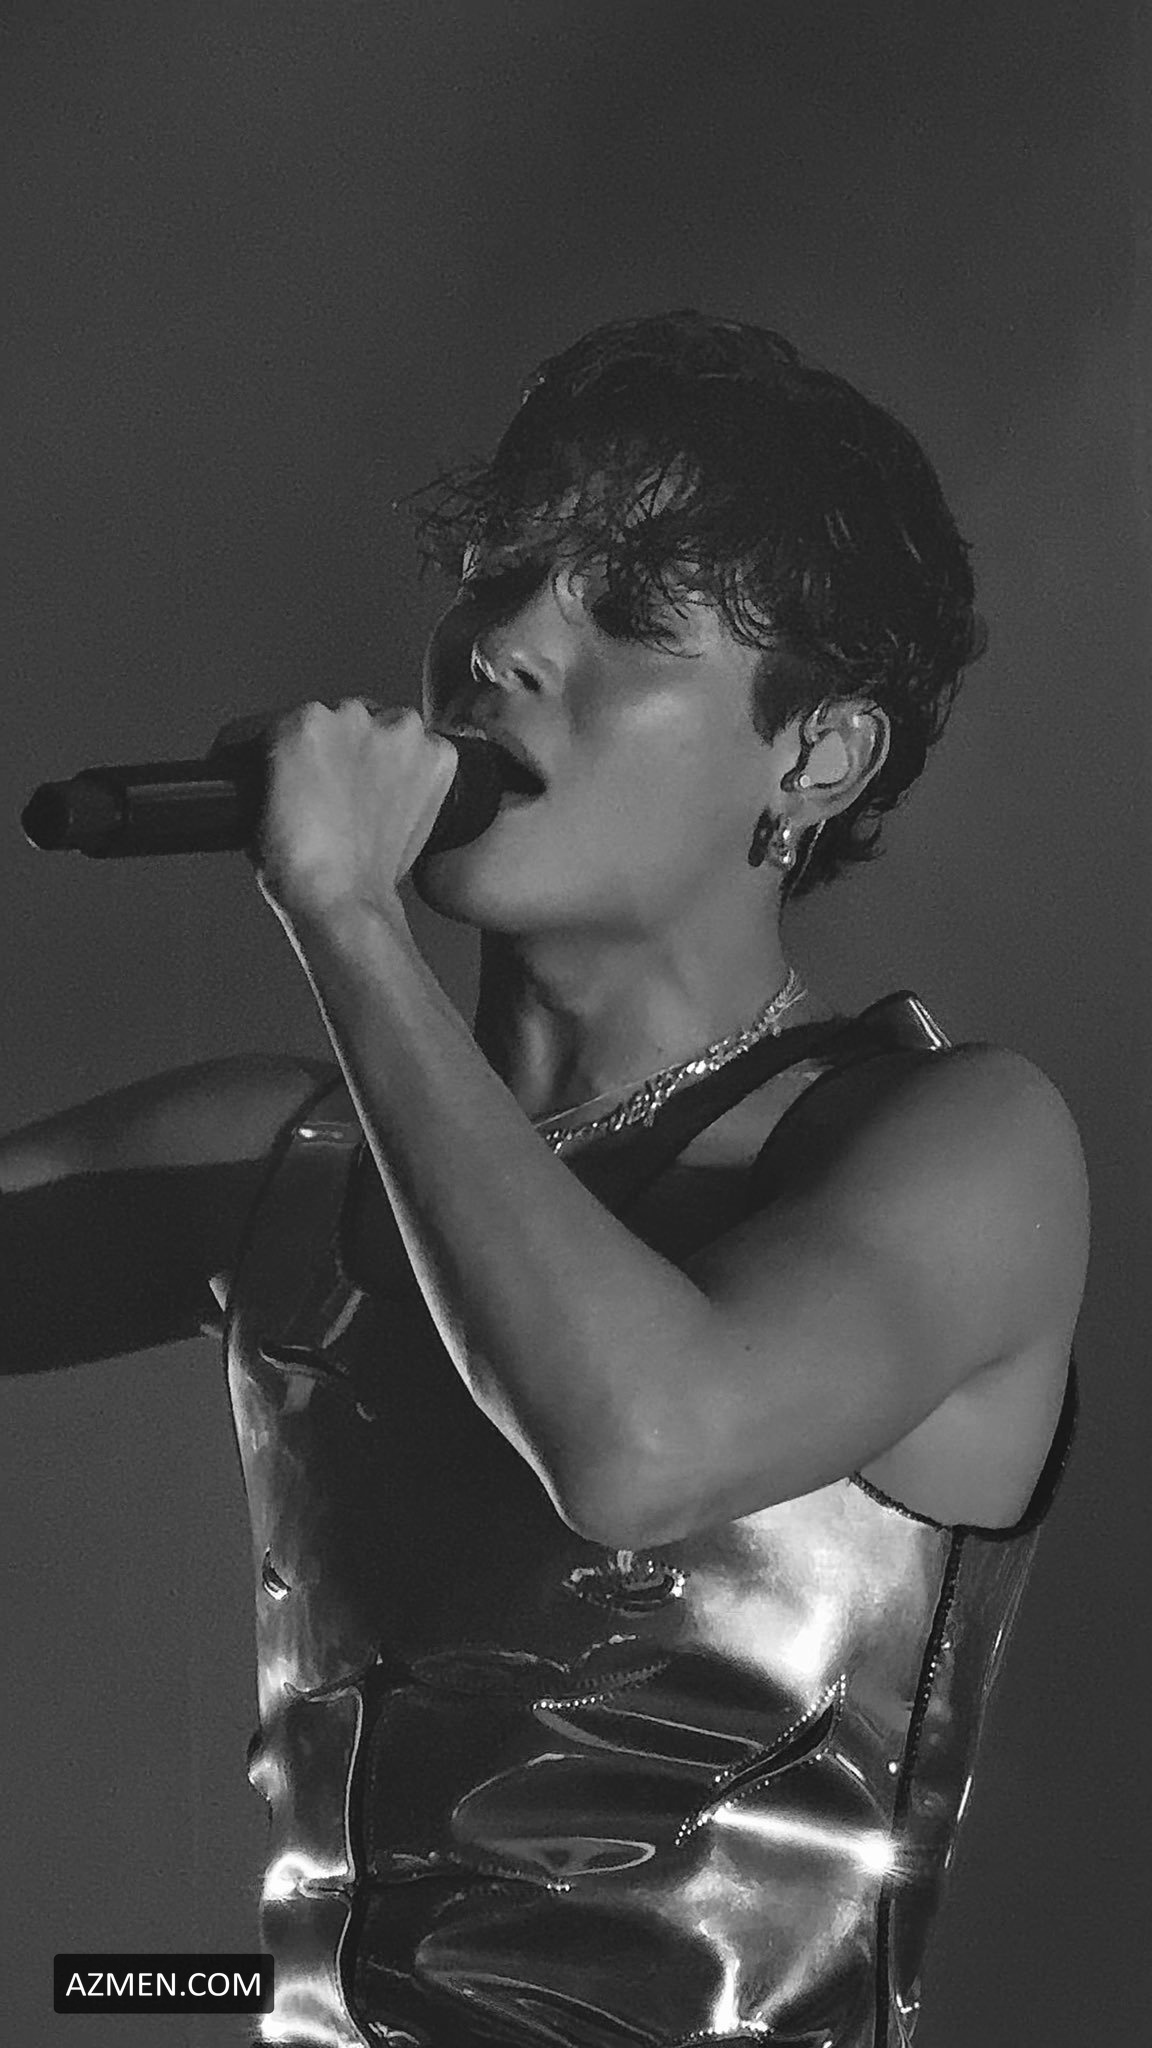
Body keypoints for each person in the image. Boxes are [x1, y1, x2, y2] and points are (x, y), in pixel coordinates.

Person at [3, 312, 1088, 2048]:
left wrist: (343, 913)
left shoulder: (956, 1141)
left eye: (631, 615)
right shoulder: (285, 1165)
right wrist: (151, 1989)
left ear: (816, 758)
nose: (500, 643)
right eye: (499, 576)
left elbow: (639, 1450)